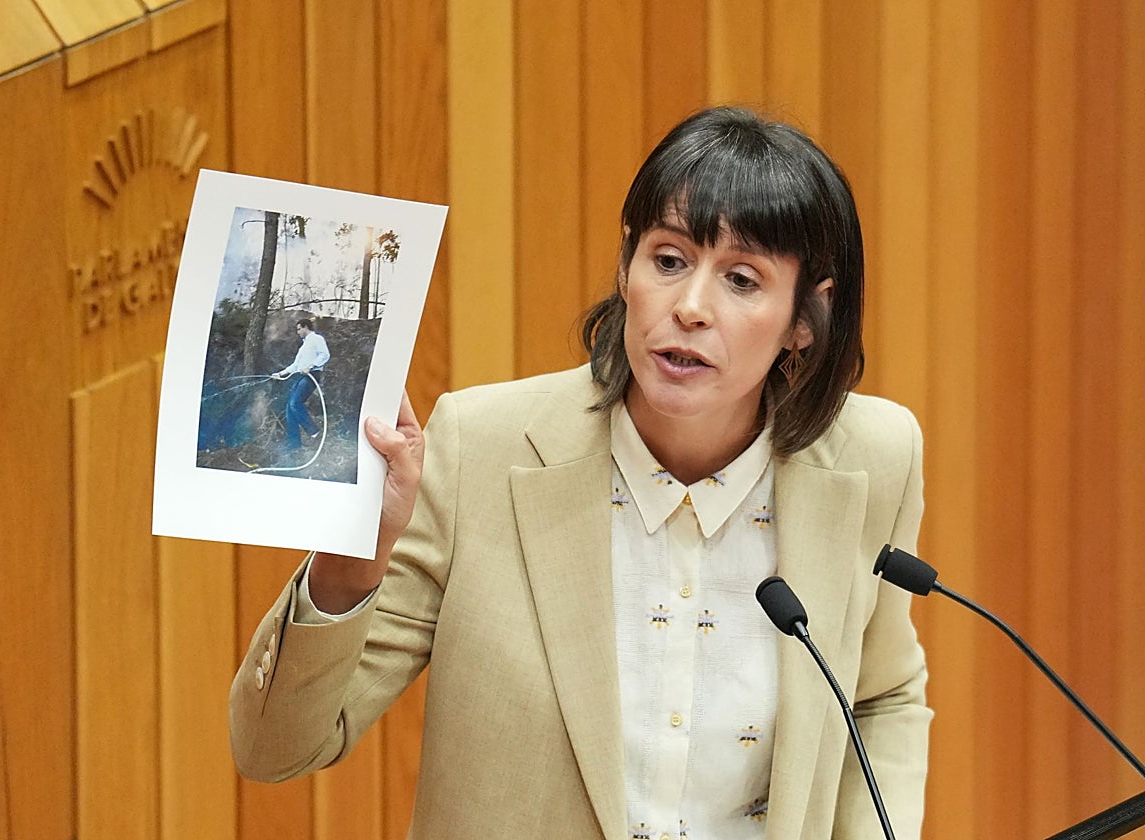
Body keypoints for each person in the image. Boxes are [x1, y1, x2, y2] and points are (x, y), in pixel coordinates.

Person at [231, 106, 931, 839]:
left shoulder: (873, 459)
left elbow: (880, 696)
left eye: (742, 279)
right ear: (627, 267)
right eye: (668, 260)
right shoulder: (481, 451)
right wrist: (354, 557)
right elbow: (273, 749)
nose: (691, 308)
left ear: (806, 318)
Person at [271, 318, 330, 450]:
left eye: (299, 329)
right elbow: (295, 365)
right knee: (289, 408)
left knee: (295, 403)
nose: (298, 332)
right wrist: (280, 374)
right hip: (302, 376)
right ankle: (294, 444)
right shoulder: (304, 346)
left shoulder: (317, 339)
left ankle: (314, 432)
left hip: (311, 375)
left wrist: (311, 366)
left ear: (305, 327)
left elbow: (325, 355)